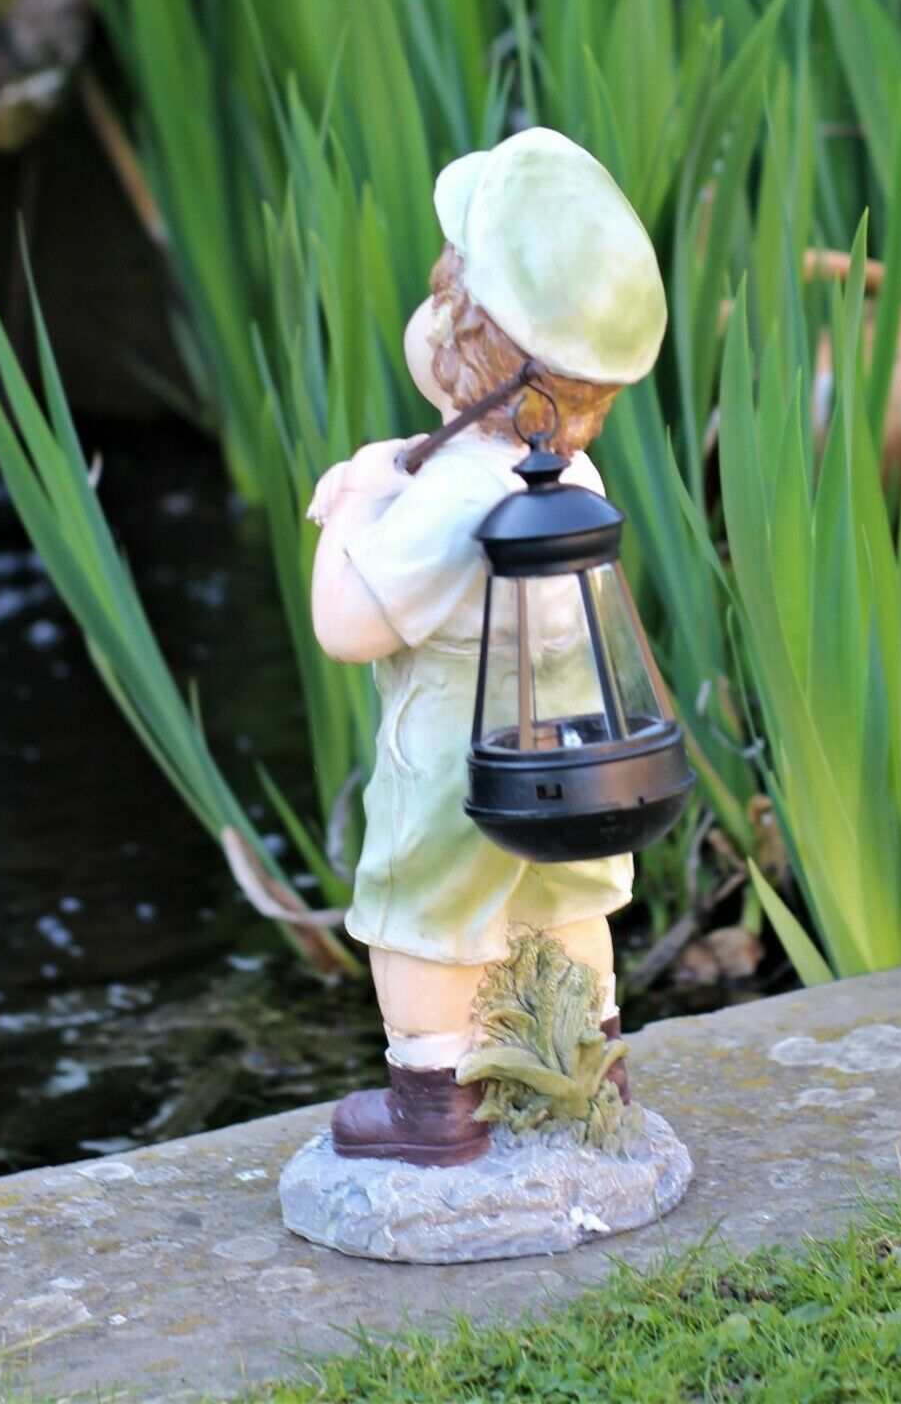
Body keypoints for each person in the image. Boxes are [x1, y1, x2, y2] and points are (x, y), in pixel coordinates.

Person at [308, 127, 667, 1166]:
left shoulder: (454, 497)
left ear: (474, 361)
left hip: (461, 766)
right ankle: (589, 1066)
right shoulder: (572, 480)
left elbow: (347, 626)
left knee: (420, 921)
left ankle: (433, 1104)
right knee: (563, 904)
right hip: (573, 755)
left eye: (438, 309)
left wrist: (350, 511)